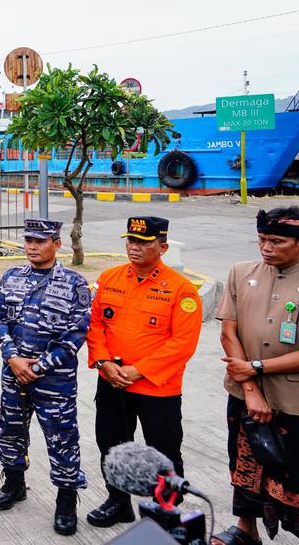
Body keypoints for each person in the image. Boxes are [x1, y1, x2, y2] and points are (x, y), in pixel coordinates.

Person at [212, 207, 299, 545]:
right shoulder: (241, 273)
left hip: (298, 399)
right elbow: (229, 334)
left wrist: (258, 368)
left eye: (276, 241)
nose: (266, 247)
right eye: (262, 239)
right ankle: (247, 532)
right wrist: (249, 387)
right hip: (245, 392)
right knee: (244, 462)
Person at [85, 216, 203, 527]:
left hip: (157, 389)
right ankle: (118, 501)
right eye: (130, 241)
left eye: (143, 243)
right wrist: (103, 362)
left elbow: (183, 343)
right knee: (111, 445)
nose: (134, 248)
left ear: (162, 247)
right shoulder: (109, 278)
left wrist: (138, 371)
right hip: (112, 382)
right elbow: (95, 324)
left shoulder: (181, 290)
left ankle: (167, 512)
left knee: (163, 451)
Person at [0, 218, 91, 536]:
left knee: (62, 439)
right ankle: (15, 483)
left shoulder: (75, 283)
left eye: (40, 241)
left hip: (54, 382)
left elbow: (75, 335)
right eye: (28, 240)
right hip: (14, 374)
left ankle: (66, 501)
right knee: (10, 430)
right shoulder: (12, 276)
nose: (31, 246)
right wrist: (13, 358)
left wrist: (38, 367)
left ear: (56, 245)